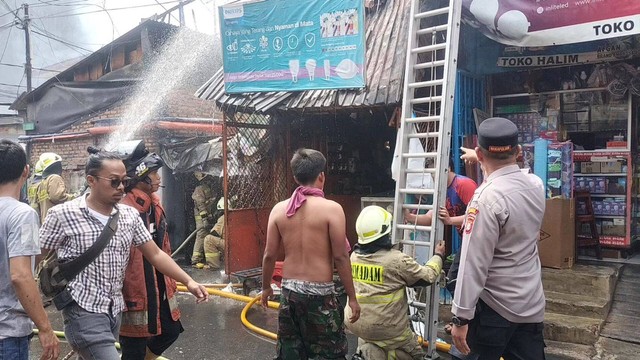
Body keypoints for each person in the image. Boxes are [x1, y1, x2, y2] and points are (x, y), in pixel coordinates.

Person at [39, 148, 209, 360]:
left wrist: (189, 281)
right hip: (82, 311)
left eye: (124, 181)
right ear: (91, 180)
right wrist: (40, 322)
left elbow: (155, 254)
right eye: (114, 181)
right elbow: (31, 260)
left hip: (113, 311)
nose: (121, 187)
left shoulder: (129, 215)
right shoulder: (63, 215)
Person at [451, 117, 546, 360]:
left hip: (495, 310)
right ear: (519, 151)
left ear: (479, 155)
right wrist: (485, 159)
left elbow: (473, 264)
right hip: (530, 304)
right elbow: (511, 178)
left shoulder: (485, 199)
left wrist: (461, 317)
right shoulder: (535, 185)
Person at [261, 148, 361, 360]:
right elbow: (341, 257)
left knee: (290, 353)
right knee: (329, 353)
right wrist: (352, 297)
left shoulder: (279, 209)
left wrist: (265, 288)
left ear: (295, 177)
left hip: (289, 293)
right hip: (320, 295)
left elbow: (269, 255)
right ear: (322, 176)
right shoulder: (332, 209)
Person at [347, 205, 445, 360]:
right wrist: (438, 256)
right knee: (418, 355)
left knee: (371, 347)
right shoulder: (395, 260)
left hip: (357, 325)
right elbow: (427, 276)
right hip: (389, 330)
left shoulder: (354, 257)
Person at [117, 142, 184, 360]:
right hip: (133, 290)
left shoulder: (153, 204)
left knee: (171, 330)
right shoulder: (125, 209)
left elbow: (160, 250)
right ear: (141, 177)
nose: (158, 178)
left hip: (159, 282)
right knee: (133, 348)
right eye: (154, 173)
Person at [0, 140, 59, 360]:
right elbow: (21, 275)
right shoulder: (21, 215)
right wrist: (45, 327)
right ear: (26, 171)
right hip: (7, 334)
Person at [34, 153, 75, 224]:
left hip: (46, 222)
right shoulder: (54, 178)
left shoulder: (43, 183)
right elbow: (57, 197)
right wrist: (74, 198)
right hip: (57, 222)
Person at [191, 172, 217, 268]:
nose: (209, 178)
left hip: (209, 216)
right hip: (201, 217)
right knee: (201, 234)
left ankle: (205, 258)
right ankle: (195, 260)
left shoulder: (210, 187)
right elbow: (200, 205)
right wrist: (205, 219)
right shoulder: (199, 189)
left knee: (208, 235)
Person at [203, 197, 226, 270]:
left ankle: (213, 265)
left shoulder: (223, 218)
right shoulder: (234, 216)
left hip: (230, 246)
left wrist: (210, 226)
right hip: (238, 245)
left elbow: (214, 233)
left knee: (208, 239)